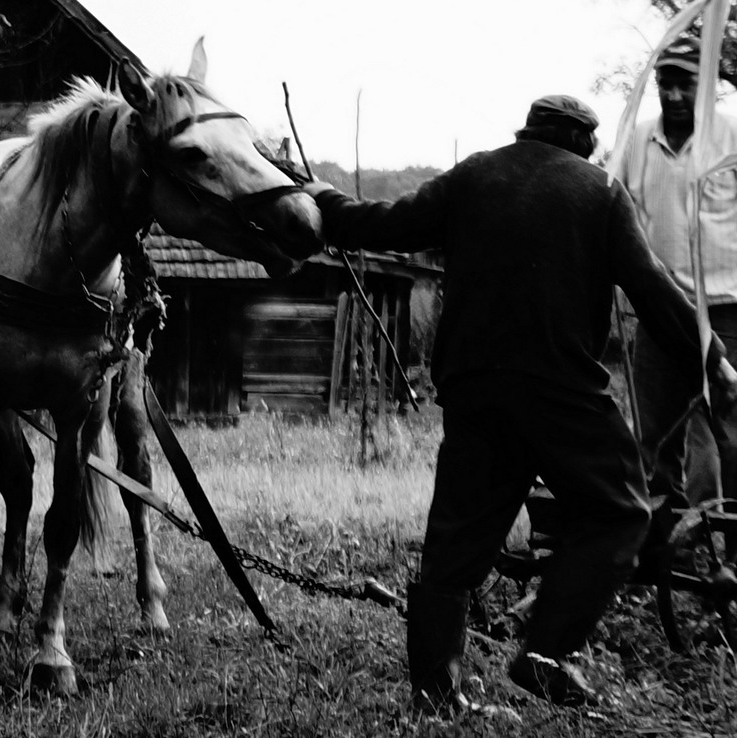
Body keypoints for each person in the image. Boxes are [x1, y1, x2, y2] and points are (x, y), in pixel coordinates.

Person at [303, 95, 737, 713]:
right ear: (584, 145)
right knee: (620, 511)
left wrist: (324, 199)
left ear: (526, 134)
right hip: (561, 395)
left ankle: (435, 694)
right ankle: (546, 653)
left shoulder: (474, 174)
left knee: (453, 544)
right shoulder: (601, 193)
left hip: (474, 389)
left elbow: (383, 222)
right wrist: (714, 359)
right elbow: (656, 292)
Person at [618, 36, 737, 509]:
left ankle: (724, 541)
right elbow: (619, 211)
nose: (673, 96)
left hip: (728, 308)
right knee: (655, 432)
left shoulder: (731, 138)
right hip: (662, 310)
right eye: (665, 84)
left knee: (725, 426)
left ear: (705, 87)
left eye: (684, 85)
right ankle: (665, 543)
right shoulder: (638, 140)